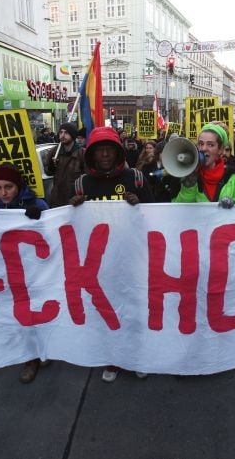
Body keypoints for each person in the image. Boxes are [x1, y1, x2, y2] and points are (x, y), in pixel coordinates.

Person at [68, 126, 153, 382]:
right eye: (99, 151)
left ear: (117, 153)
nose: (104, 155)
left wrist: (141, 204)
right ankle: (114, 358)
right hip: (100, 264)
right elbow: (66, 222)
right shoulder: (82, 183)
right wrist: (72, 206)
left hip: (132, 258)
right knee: (107, 312)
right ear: (91, 155)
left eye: (109, 150)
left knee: (136, 309)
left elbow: (158, 214)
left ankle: (138, 356)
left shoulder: (136, 178)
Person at [0, 163, 49, 383]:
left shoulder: (36, 203)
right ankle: (30, 358)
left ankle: (46, 349)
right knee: (19, 314)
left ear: (18, 185)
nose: (3, 193)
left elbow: (54, 232)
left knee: (40, 310)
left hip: (35, 270)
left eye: (9, 187)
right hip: (7, 271)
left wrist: (40, 217)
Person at [172, 123, 235, 206]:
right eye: (201, 144)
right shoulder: (188, 175)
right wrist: (188, 188)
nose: (203, 149)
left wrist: (234, 203)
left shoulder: (233, 178)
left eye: (210, 145)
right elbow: (180, 209)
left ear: (220, 150)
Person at [49, 122, 85, 208]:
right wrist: (52, 164)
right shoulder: (54, 152)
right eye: (61, 132)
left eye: (66, 133)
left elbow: (86, 177)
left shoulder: (82, 153)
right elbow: (49, 172)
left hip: (75, 200)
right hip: (57, 199)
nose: (62, 135)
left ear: (72, 135)